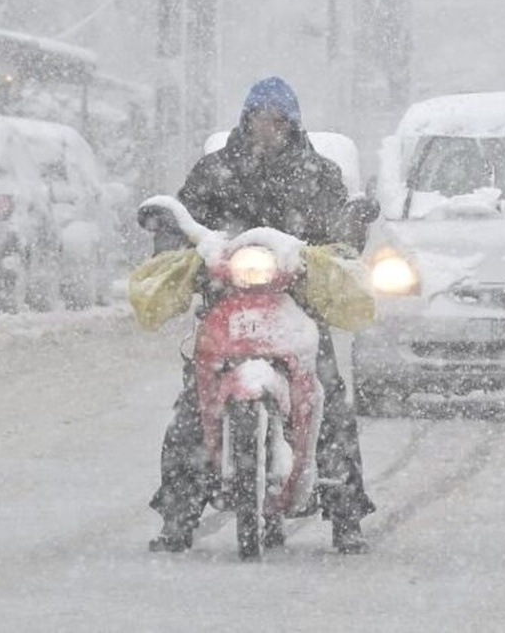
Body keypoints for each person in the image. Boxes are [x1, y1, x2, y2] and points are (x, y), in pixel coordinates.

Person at [147, 76, 376, 555]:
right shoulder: (215, 170)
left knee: (330, 398)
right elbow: (186, 220)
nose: (266, 128)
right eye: (258, 118)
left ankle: (347, 512)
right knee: (193, 404)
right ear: (245, 120)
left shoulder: (318, 174)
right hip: (225, 304)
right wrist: (175, 238)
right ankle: (177, 514)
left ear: (291, 125)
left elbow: (339, 231)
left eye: (277, 120)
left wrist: (345, 237)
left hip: (299, 305)